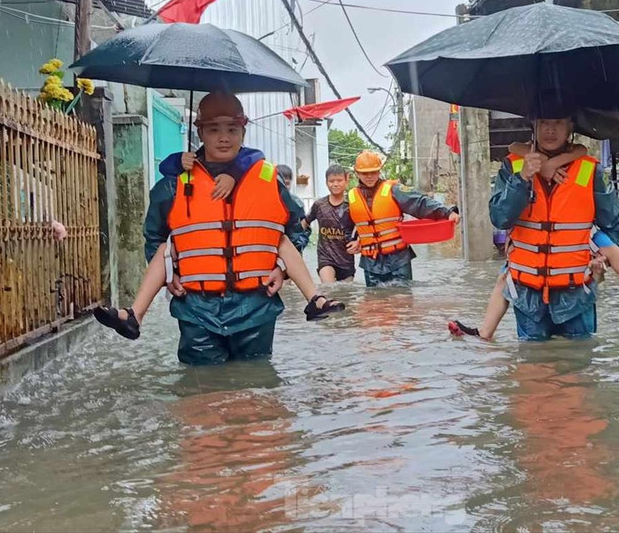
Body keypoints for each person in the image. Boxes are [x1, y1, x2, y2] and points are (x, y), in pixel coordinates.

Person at [95, 93, 338, 366]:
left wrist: (281, 269)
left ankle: (315, 299)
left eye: (232, 130)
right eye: (213, 130)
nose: (224, 138)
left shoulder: (268, 178)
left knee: (257, 388)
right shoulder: (174, 184)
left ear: (244, 132)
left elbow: (297, 231)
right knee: (201, 395)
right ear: (200, 132)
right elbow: (155, 238)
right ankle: (134, 315)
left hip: (256, 307)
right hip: (196, 308)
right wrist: (168, 276)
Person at [450, 142, 619, 340]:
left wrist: (602, 264)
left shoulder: (586, 167)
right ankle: (484, 332)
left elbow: (613, 222)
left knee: (609, 248)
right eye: (544, 122)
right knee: (508, 275)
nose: (551, 129)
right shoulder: (516, 164)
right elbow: (501, 214)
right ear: (534, 124)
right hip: (528, 275)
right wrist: (534, 171)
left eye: (558, 122)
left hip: (578, 264)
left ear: (569, 125)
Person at [345, 150, 459, 287]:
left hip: (398, 259)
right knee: (374, 304)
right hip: (371, 262)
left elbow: (420, 203)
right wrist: (355, 240)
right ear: (357, 173)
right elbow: (350, 225)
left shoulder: (394, 189)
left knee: (402, 301)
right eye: (365, 173)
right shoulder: (352, 197)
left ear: (379, 171)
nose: (369, 176)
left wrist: (447, 212)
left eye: (374, 172)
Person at [302, 165, 357, 282]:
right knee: (329, 288)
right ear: (326, 183)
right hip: (325, 257)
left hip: (346, 259)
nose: (335, 184)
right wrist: (296, 240)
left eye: (339, 180)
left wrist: (358, 241)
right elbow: (305, 223)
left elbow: (363, 227)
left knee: (346, 294)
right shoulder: (319, 205)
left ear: (346, 181)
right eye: (331, 181)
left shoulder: (352, 205)